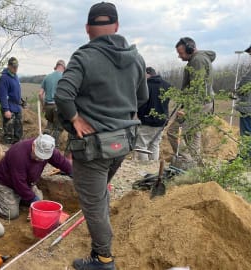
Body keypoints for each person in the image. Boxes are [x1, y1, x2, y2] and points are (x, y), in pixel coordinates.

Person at [54, 2, 148, 270]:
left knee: (93, 204)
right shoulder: (137, 58)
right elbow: (142, 98)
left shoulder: (84, 57)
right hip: (123, 142)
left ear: (87, 29)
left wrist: (75, 118)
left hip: (94, 147)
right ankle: (101, 239)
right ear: (117, 27)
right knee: (99, 195)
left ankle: (103, 259)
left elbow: (62, 94)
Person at [0, 134, 72, 220]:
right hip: (5, 181)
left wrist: (74, 174)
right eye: (39, 155)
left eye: (44, 158)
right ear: (34, 145)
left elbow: (63, 163)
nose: (41, 160)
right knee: (11, 214)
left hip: (26, 182)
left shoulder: (48, 149)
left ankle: (18, 198)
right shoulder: (18, 154)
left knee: (38, 200)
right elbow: (19, 182)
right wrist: (32, 198)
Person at [167, 37, 215, 167]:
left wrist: (187, 109)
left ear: (190, 49)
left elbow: (198, 88)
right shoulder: (198, 59)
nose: (179, 56)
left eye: (181, 53)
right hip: (202, 103)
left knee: (172, 132)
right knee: (192, 134)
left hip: (198, 104)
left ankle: (188, 162)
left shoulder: (198, 60)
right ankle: (197, 166)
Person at [135, 67, 171, 161]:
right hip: (161, 121)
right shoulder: (167, 85)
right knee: (154, 144)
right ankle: (153, 167)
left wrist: (138, 116)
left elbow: (142, 103)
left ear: (148, 73)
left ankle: (144, 167)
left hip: (146, 120)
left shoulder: (145, 85)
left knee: (141, 145)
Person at [39, 60, 66, 147]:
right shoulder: (65, 77)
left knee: (49, 125)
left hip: (48, 106)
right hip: (59, 106)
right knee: (58, 128)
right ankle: (52, 147)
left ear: (56, 67)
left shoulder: (47, 77)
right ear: (64, 68)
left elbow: (40, 94)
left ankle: (43, 144)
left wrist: (43, 106)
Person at [0, 57, 23, 144]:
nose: (16, 69)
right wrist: (6, 109)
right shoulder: (4, 78)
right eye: (13, 67)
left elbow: (16, 92)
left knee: (18, 131)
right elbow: (2, 95)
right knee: (9, 132)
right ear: (9, 66)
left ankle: (17, 146)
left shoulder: (15, 76)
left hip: (17, 107)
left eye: (16, 67)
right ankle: (7, 150)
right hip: (9, 108)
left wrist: (22, 102)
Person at [235, 44, 251, 159]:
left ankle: (245, 158)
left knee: (246, 133)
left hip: (248, 106)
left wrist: (238, 90)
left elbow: (244, 86)